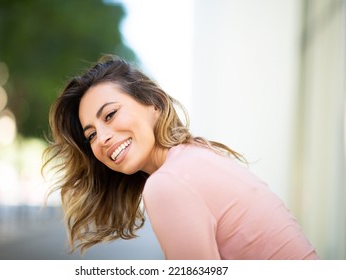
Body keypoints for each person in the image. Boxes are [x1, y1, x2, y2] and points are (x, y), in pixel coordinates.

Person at [43, 55, 319, 260]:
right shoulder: (194, 156)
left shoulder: (169, 182)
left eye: (110, 115)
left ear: (155, 104)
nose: (102, 139)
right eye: (91, 135)